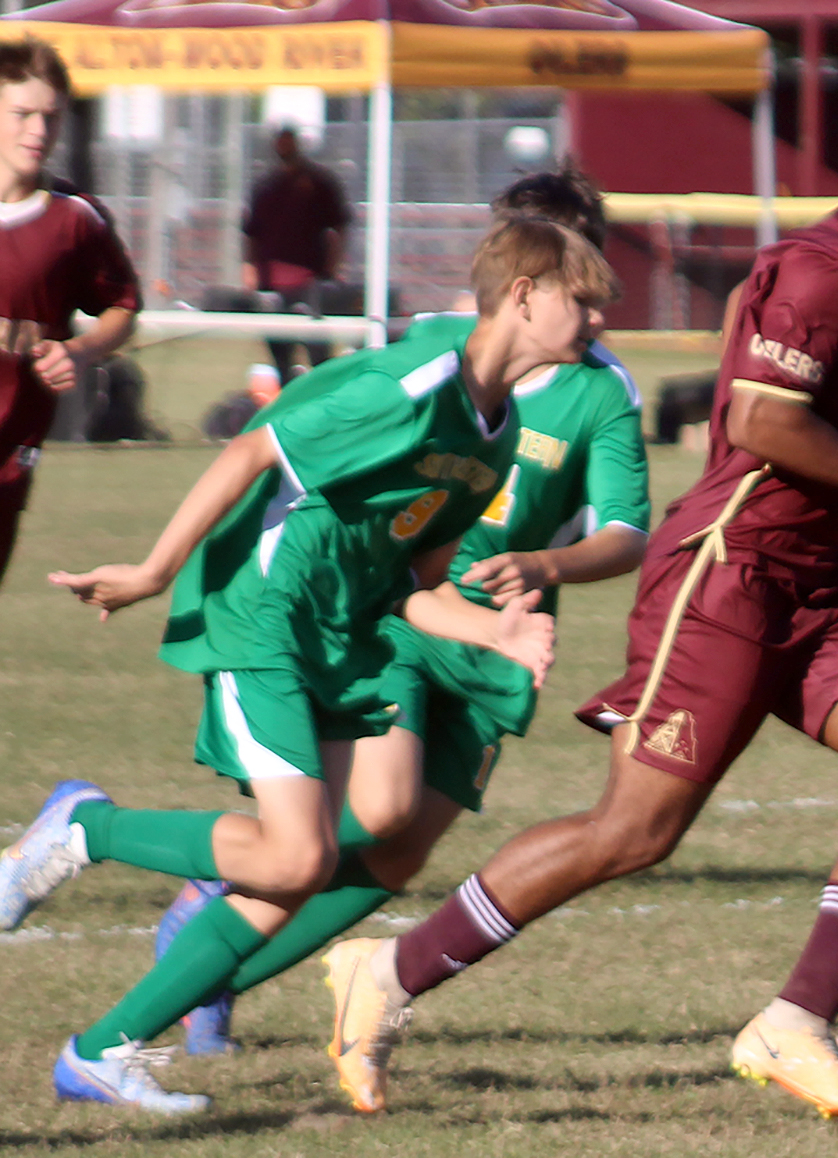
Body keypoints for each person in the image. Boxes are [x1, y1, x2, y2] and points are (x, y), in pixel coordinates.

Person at [315, 44, 838, 1125]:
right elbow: (754, 418)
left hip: (818, 585)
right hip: (727, 578)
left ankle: (796, 1023)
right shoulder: (820, 271)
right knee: (634, 832)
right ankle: (390, 973)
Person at [0, 214, 618, 1113]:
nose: (598, 322)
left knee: (304, 865)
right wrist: (154, 569)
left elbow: (416, 580)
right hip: (268, 614)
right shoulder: (415, 386)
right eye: (585, 302)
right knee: (294, 857)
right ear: (524, 296)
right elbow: (255, 448)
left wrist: (495, 634)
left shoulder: (496, 437)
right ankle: (86, 830)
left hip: (344, 637)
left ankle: (101, 1050)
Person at [149, 165, 652, 1058]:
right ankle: (210, 937)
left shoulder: (600, 392)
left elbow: (625, 531)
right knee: (368, 815)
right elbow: (300, 431)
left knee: (397, 855)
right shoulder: (434, 350)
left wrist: (545, 563)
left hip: (499, 640)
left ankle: (221, 954)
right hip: (405, 612)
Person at [0, 38, 140, 590]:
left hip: (11, 450)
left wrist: (78, 351)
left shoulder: (73, 220)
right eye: (22, 114)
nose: (39, 131)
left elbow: (123, 307)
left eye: (50, 118)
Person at [242, 125, 351, 383]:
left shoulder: (319, 183)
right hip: (271, 285)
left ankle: (323, 407)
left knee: (319, 357)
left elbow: (339, 226)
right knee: (280, 357)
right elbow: (251, 234)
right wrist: (250, 272)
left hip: (309, 284)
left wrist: (331, 268)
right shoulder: (265, 186)